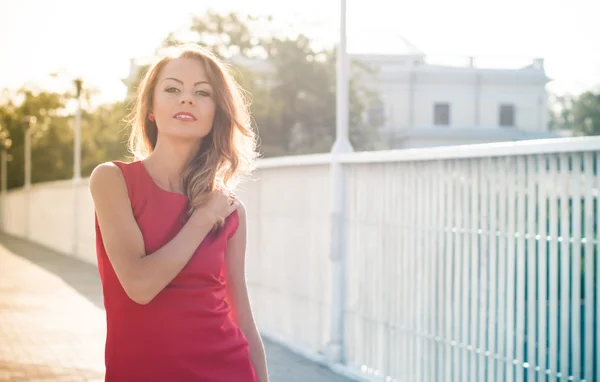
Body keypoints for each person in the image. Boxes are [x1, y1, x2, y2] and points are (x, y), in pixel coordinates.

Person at [89, 44, 269, 381]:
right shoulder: (113, 180)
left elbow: (241, 316)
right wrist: (201, 220)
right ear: (151, 109)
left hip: (227, 370)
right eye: (173, 89)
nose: (186, 99)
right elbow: (140, 286)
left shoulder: (230, 211)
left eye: (202, 93)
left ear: (216, 112)